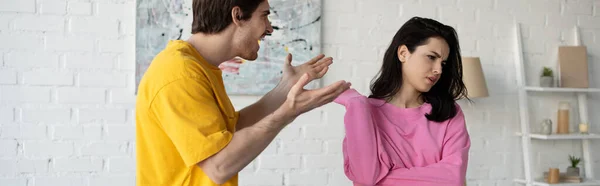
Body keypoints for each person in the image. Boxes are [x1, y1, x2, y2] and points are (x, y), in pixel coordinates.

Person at [135, 0, 351, 185]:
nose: (269, 29)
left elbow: (233, 131)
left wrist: (286, 88)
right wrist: (287, 113)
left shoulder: (196, 67)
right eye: (264, 16)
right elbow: (218, 166)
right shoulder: (180, 74)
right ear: (237, 16)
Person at [334, 17, 471, 186]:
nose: (438, 69)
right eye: (431, 57)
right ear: (403, 53)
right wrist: (356, 103)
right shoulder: (364, 113)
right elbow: (364, 177)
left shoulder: (449, 112)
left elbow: (453, 179)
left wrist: (382, 178)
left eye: (443, 63)